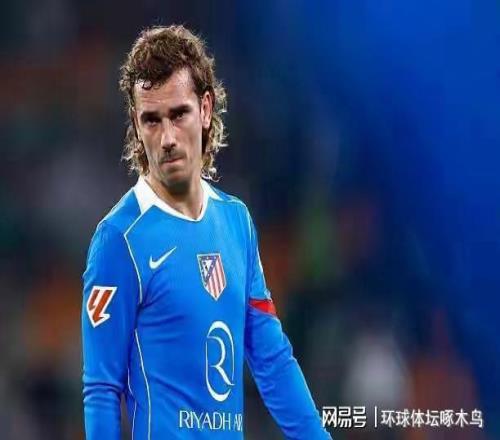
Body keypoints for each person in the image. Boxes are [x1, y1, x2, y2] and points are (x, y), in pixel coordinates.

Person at [81, 25, 331, 439]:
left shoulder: (236, 222)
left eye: (178, 114)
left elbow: (271, 359)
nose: (166, 138)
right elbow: (101, 389)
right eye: (151, 120)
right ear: (137, 126)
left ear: (206, 108)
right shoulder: (118, 240)